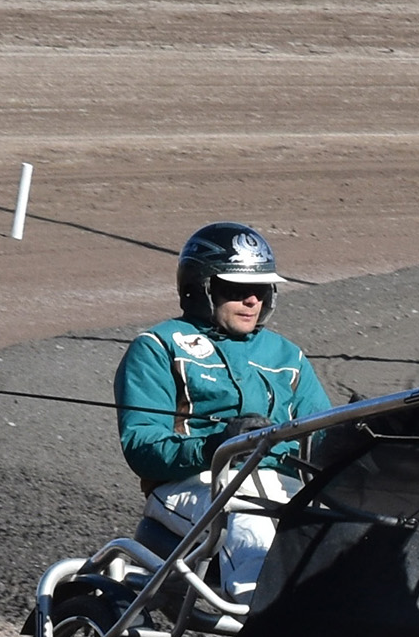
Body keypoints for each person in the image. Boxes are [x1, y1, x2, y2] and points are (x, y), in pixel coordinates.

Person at [114, 222, 332, 602]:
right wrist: (218, 443)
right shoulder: (157, 347)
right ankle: (259, 617)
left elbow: (323, 435)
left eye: (261, 290)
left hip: (279, 487)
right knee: (251, 520)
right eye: (237, 290)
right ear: (201, 289)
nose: (252, 301)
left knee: (346, 526)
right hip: (193, 486)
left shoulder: (288, 356)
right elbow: (141, 445)